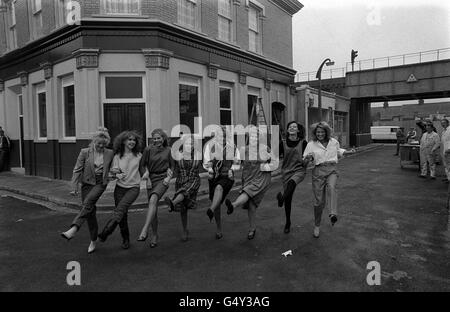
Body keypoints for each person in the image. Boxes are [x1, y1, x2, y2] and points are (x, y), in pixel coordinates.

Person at [60, 128, 114, 254]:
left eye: (103, 144)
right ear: (93, 141)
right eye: (98, 143)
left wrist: (113, 174)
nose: (101, 146)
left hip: (101, 183)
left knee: (88, 203)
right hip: (87, 184)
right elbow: (77, 169)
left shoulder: (110, 153)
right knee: (90, 213)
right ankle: (93, 240)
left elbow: (113, 167)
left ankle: (73, 228)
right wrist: (74, 187)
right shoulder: (85, 152)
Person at [303, 122, 355, 238]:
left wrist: (348, 152)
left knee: (332, 187)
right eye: (318, 132)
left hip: (332, 169)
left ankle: (333, 214)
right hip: (318, 171)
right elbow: (305, 160)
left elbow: (338, 151)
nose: (320, 134)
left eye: (322, 132)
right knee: (319, 202)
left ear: (326, 132)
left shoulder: (333, 142)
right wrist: (308, 158)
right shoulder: (311, 144)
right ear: (315, 133)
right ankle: (317, 225)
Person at [225, 128, 274, 240]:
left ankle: (233, 205)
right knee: (251, 205)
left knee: (247, 192)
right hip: (248, 178)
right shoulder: (243, 150)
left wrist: (268, 164)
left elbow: (273, 162)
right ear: (248, 138)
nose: (253, 138)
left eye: (256, 137)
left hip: (261, 178)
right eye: (251, 136)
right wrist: (231, 169)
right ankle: (252, 229)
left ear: (259, 138)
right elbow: (237, 164)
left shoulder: (264, 149)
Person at [97, 131, 143, 249]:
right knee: (122, 214)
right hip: (119, 189)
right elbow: (112, 173)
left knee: (120, 209)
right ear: (123, 141)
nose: (132, 142)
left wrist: (147, 175)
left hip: (133, 188)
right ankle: (125, 239)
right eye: (129, 139)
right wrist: (116, 175)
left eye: (134, 140)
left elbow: (145, 170)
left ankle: (107, 231)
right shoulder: (117, 156)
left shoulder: (139, 156)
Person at [137, 129, 174, 248]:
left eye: (159, 138)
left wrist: (169, 177)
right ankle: (154, 235)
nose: (156, 140)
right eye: (154, 138)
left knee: (153, 200)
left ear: (163, 138)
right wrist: (146, 177)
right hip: (151, 179)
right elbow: (142, 165)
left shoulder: (169, 150)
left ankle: (145, 229)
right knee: (153, 209)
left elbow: (173, 166)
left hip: (163, 179)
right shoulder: (148, 149)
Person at [202, 126, 240, 239]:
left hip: (227, 177)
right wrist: (210, 170)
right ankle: (218, 228)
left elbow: (237, 162)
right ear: (216, 136)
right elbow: (206, 162)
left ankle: (211, 209)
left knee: (219, 188)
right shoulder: (210, 146)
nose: (222, 138)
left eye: (224, 136)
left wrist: (232, 169)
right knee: (216, 202)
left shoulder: (232, 147)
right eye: (219, 135)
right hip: (214, 177)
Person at [164, 135, 201, 242]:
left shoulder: (198, 155)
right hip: (180, 181)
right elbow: (171, 167)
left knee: (184, 192)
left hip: (193, 180)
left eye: (191, 144)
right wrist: (168, 174)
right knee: (183, 209)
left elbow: (209, 164)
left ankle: (173, 203)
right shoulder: (177, 155)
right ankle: (185, 230)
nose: (189, 146)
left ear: (194, 145)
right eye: (187, 143)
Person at [276, 121, 307, 234]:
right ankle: (288, 222)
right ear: (288, 130)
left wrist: (308, 159)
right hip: (286, 172)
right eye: (290, 126)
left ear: (298, 130)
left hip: (299, 170)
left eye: (295, 127)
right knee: (288, 198)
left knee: (291, 183)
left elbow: (307, 158)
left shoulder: (303, 143)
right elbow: (275, 155)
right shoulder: (282, 143)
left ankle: (281, 199)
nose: (292, 128)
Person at [440, 119, 450, 183]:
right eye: (441, 123)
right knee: (446, 165)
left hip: (449, 151)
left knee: (449, 165)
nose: (442, 124)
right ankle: (448, 178)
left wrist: (449, 149)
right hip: (444, 151)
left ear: (448, 123)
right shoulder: (443, 131)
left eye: (444, 123)